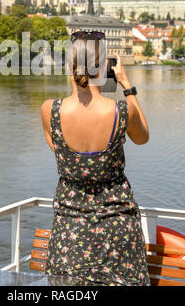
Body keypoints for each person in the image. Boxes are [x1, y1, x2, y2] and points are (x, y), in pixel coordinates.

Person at [41, 31, 150, 286]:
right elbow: (143, 137)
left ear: (69, 65)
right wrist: (127, 87)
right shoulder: (122, 111)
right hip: (118, 231)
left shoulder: (50, 111)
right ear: (104, 68)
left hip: (69, 232)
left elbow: (62, 156)